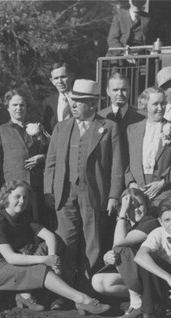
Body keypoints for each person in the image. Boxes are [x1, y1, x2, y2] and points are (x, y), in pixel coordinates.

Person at [0, 180, 110, 315]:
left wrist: (52, 257)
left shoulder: (23, 217)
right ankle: (82, 299)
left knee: (55, 244)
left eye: (25, 197)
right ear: (5, 197)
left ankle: (25, 294)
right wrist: (45, 260)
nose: (22, 201)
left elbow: (50, 236)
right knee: (40, 268)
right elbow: (10, 258)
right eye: (17, 197)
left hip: (9, 261)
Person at [43, 79, 124, 294]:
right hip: (65, 193)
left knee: (93, 243)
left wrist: (114, 195)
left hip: (93, 194)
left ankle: (89, 290)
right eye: (73, 101)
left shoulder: (108, 127)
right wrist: (48, 191)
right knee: (65, 242)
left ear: (92, 104)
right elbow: (51, 162)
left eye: (79, 102)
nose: (74, 105)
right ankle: (65, 291)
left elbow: (117, 165)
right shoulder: (62, 127)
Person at [91, 188, 159, 318]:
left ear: (146, 205)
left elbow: (120, 245)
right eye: (131, 207)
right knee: (99, 281)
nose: (137, 210)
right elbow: (116, 249)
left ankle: (137, 305)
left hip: (154, 277)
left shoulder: (151, 222)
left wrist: (122, 213)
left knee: (121, 249)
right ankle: (144, 301)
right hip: (139, 276)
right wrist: (107, 257)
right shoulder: (124, 226)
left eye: (139, 205)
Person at [0, 90, 51, 226]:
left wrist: (43, 158)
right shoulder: (1, 130)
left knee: (36, 223)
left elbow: (52, 153)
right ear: (8, 107)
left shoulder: (37, 128)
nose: (19, 108)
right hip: (13, 186)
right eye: (15, 105)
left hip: (35, 186)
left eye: (22, 105)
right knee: (15, 223)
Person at [125, 86, 171, 210]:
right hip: (138, 190)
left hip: (165, 190)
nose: (160, 108)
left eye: (163, 103)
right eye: (155, 104)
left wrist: (162, 183)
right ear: (145, 105)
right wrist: (131, 183)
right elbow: (126, 160)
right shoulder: (132, 129)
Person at [42, 62, 75, 135]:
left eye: (63, 77)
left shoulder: (82, 98)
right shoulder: (48, 103)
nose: (60, 81)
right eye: (56, 78)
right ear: (52, 81)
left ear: (71, 76)